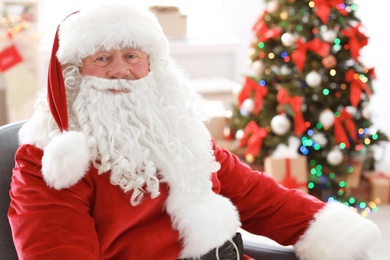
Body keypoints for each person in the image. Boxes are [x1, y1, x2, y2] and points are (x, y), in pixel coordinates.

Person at [8, 3, 380, 260]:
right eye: (102, 58)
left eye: (133, 56)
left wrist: (327, 228)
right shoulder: (50, 160)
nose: (121, 70)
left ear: (152, 64)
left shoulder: (177, 131)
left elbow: (257, 195)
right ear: (73, 74)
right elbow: (56, 250)